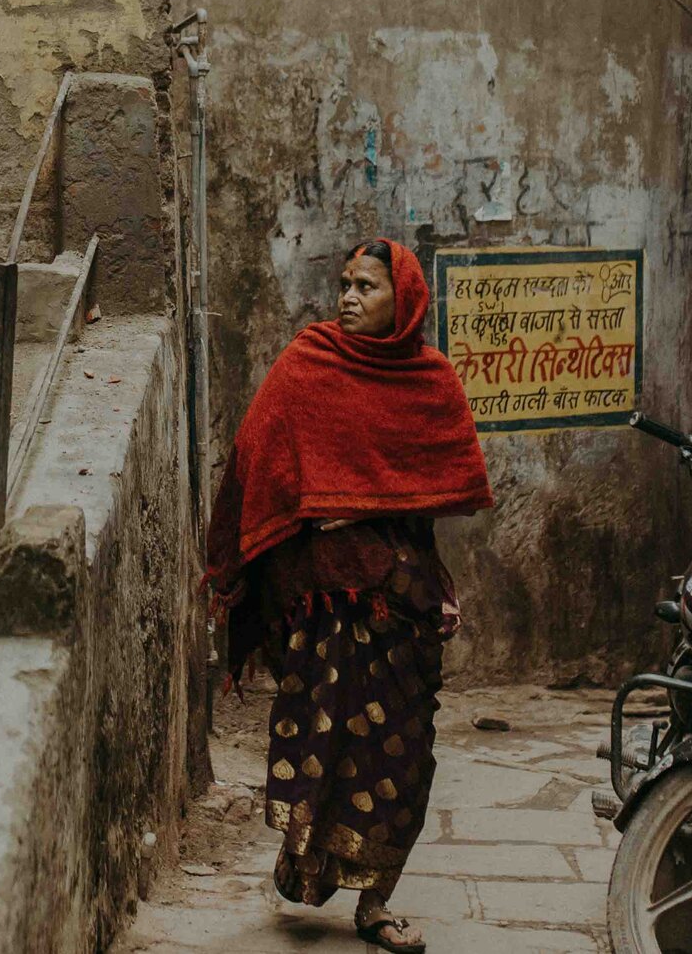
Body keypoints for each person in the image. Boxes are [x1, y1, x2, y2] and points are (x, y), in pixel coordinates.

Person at [205, 239, 496, 953]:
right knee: (322, 740)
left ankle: (376, 901)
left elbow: (418, 504)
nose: (348, 297)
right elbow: (253, 460)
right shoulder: (308, 365)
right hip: (320, 598)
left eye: (366, 285)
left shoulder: (429, 383)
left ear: (406, 300)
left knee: (403, 755)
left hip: (397, 598)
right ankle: (307, 853)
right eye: (343, 284)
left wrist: (437, 580)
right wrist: (251, 557)